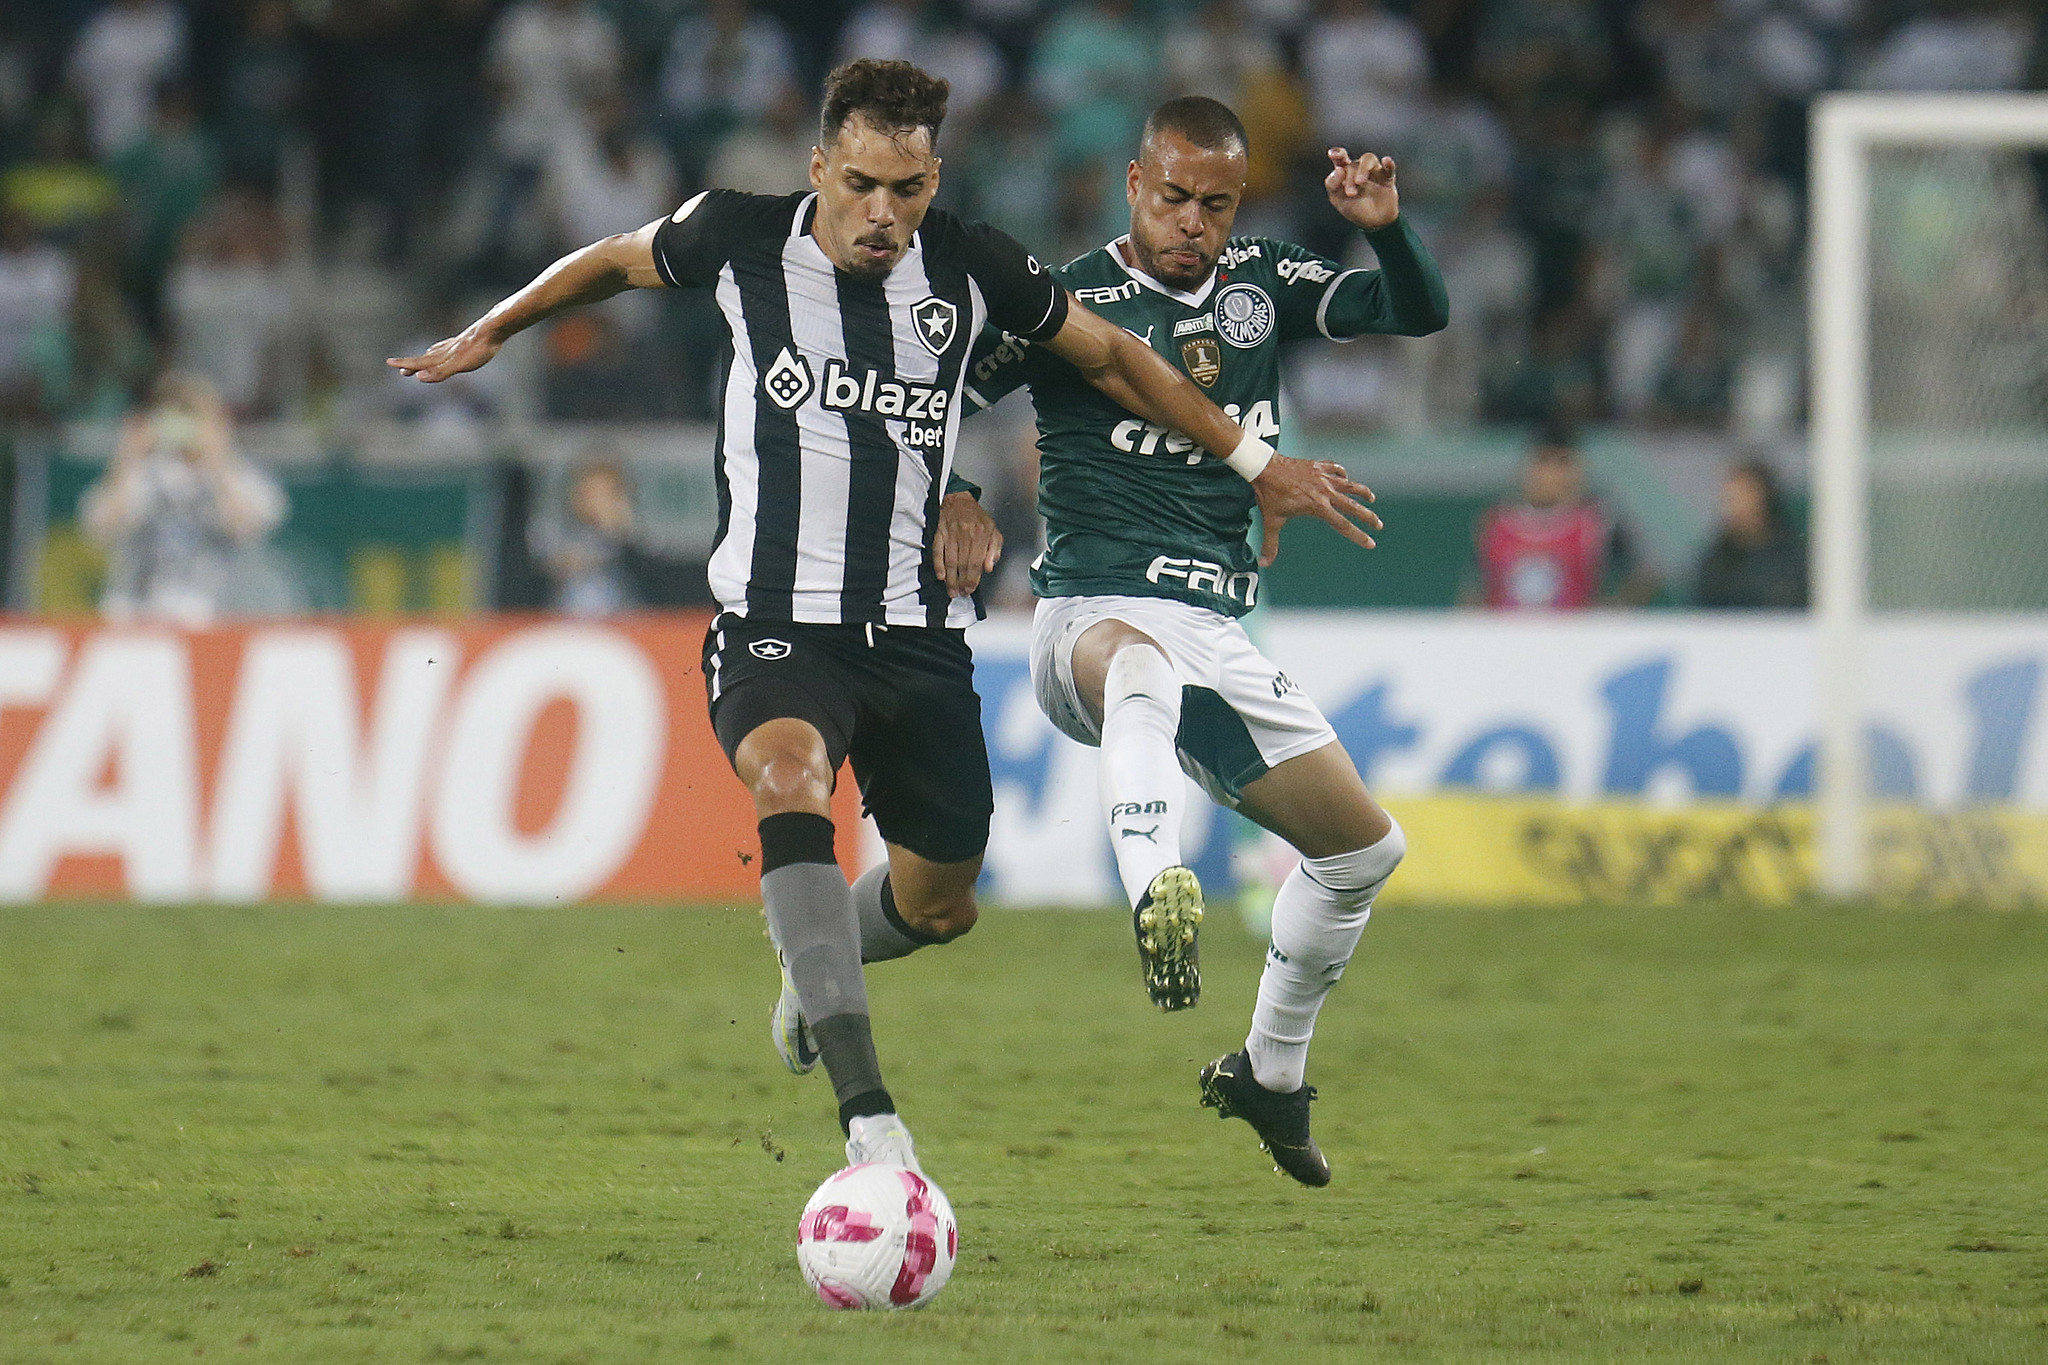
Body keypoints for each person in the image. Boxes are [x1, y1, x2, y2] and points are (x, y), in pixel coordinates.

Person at [389, 61, 1371, 1177]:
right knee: (787, 779)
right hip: (773, 623)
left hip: (915, 636)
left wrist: (1251, 459)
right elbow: (611, 262)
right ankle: (869, 1118)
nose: (883, 213)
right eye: (861, 184)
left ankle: (811, 977)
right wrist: (493, 329)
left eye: (906, 189)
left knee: (941, 901)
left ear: (932, 178)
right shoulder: (736, 235)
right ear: (819, 169)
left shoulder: (971, 263)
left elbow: (1111, 356)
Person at [962, 96, 1448, 1186]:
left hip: (1212, 628)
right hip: (1088, 616)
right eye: (1172, 197)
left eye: (1215, 205)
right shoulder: (1068, 300)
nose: (1192, 222)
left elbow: (1413, 311)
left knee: (1361, 851)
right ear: (1133, 186)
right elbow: (940, 393)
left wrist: (1380, 224)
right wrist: (953, 490)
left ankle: (1268, 1073)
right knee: (1138, 661)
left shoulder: (1262, 283)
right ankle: (1153, 881)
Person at [80, 372, 288, 626]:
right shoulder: (142, 474)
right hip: (136, 613)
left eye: (193, 416)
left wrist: (218, 463)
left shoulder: (242, 477)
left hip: (208, 616)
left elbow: (246, 526)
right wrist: (126, 458)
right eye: (176, 416)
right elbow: (102, 527)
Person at [1467, 428, 1661, 610]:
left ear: (1576, 471)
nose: (1550, 475)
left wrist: (1611, 615)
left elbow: (1645, 574)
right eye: (1543, 463)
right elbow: (1473, 589)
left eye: (1561, 464)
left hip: (1570, 640)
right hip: (1505, 638)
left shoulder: (1595, 522)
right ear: (1527, 468)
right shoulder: (1497, 522)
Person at [1694, 458, 1807, 609]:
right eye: (1731, 498)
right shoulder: (1716, 561)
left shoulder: (1794, 557)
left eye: (1745, 495)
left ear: (1765, 497)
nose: (1736, 506)